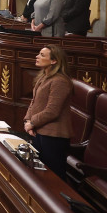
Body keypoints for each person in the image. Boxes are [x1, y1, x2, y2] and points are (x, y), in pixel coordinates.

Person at [23, 45, 72, 179]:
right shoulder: (44, 77)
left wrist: (32, 122)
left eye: (42, 55)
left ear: (54, 61)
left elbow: (52, 110)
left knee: (52, 177)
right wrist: (28, 121)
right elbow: (34, 102)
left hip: (53, 136)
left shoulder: (60, 81)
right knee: (38, 174)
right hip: (39, 131)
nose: (37, 57)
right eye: (39, 53)